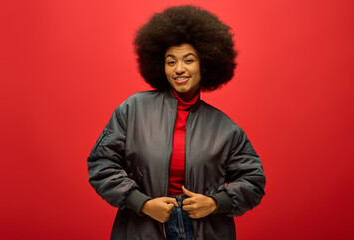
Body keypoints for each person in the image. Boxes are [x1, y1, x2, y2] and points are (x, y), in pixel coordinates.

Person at [87, 5, 266, 240]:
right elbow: (101, 163)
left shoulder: (226, 129)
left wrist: (214, 203)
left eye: (188, 60)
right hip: (142, 230)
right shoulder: (133, 110)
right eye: (171, 62)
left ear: (206, 64)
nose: (179, 69)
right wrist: (142, 203)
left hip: (205, 231)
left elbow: (253, 181)